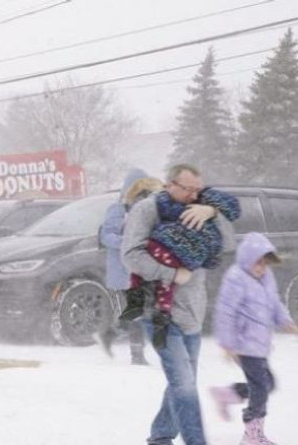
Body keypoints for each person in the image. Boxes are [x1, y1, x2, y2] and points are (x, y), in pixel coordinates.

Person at [121, 163, 236, 445]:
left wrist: (213, 211)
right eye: (188, 189)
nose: (195, 195)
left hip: (192, 311)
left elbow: (229, 244)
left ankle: (160, 436)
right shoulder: (147, 210)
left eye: (198, 189)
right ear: (169, 184)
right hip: (159, 311)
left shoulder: (202, 207)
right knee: (183, 385)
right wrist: (172, 273)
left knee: (182, 382)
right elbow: (131, 255)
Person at [120, 185, 241, 349]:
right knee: (162, 285)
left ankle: (145, 308)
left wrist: (212, 212)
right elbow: (215, 255)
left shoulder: (206, 214)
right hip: (174, 256)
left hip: (171, 256)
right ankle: (152, 312)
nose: (192, 196)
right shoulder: (183, 208)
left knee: (159, 283)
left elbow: (225, 245)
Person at [210, 232, 298, 445]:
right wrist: (228, 344)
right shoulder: (236, 279)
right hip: (244, 345)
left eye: (265, 263)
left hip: (260, 344)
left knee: (268, 384)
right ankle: (252, 433)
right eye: (257, 263)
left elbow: (274, 302)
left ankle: (228, 394)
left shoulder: (266, 277)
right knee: (261, 388)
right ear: (246, 259)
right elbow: (225, 312)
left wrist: (285, 320)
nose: (261, 267)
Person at [98, 169, 161, 365]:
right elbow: (106, 236)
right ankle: (137, 355)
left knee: (141, 310)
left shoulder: (146, 209)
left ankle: (110, 333)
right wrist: (129, 242)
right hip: (123, 269)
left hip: (141, 268)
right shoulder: (117, 209)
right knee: (138, 311)